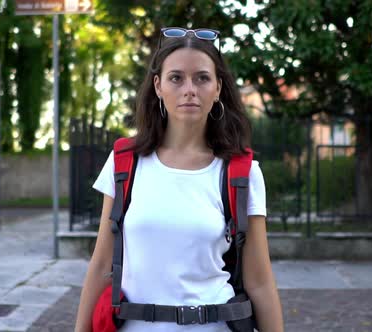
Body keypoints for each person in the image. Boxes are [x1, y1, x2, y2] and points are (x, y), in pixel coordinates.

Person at [74, 27, 284, 332]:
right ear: (158, 86)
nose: (190, 89)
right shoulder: (125, 162)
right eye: (176, 78)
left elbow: (260, 282)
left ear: (218, 88)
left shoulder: (242, 172)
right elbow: (101, 264)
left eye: (202, 78)